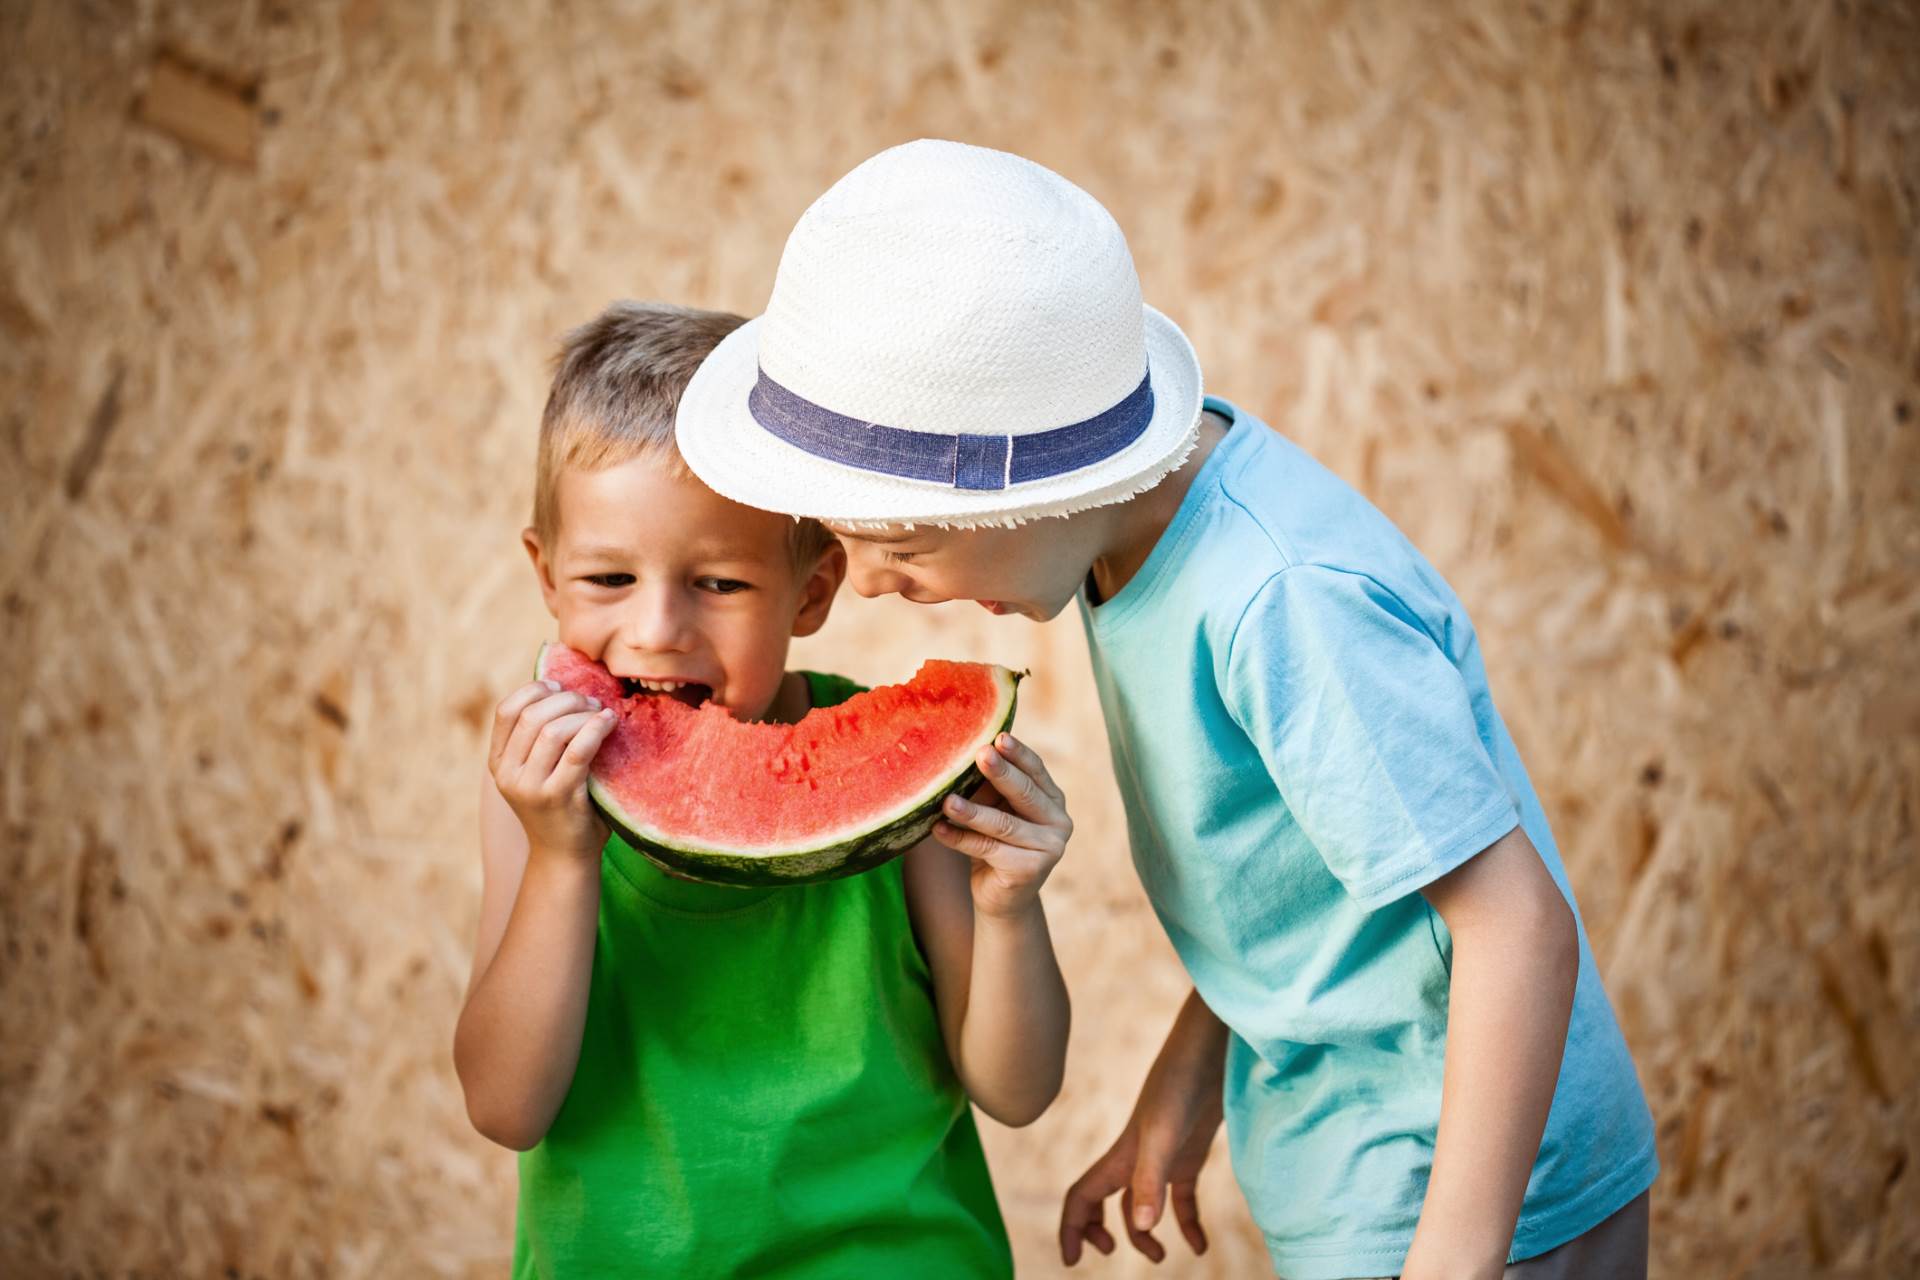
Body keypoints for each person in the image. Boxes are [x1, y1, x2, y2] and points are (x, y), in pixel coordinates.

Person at [672, 140, 1658, 1280]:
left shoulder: (1283, 602)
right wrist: (1187, 1081)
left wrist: (1454, 1261)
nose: (879, 582)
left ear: (1039, 488)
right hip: (1358, 1161)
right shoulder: (1113, 534)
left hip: (1481, 1192)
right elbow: (1317, 871)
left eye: (901, 540)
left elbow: (1516, 923)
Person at [453, 300, 1074, 1279]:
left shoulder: (905, 804)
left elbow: (1017, 1087)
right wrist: (564, 859)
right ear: (546, 576)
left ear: (814, 590)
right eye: (609, 577)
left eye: (719, 584)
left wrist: (1009, 910)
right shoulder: (537, 791)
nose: (658, 628)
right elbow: (504, 1104)